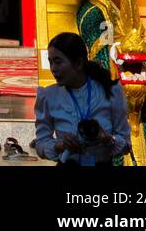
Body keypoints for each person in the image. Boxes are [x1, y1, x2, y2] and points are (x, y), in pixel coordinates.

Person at [34, 32, 131, 166]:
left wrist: (107, 139)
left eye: (58, 62)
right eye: (50, 62)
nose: (53, 69)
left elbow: (126, 144)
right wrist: (61, 145)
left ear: (79, 63)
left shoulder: (110, 91)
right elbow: (40, 143)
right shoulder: (49, 96)